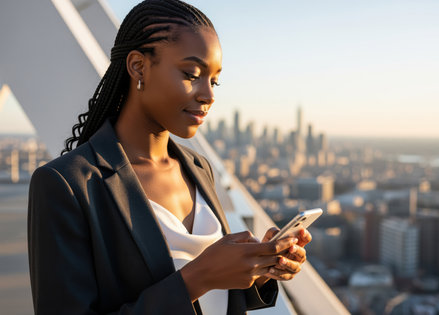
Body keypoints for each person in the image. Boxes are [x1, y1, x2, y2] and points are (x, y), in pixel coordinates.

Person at [27, 0, 311, 314]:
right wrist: (198, 277)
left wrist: (259, 270)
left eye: (214, 80)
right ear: (138, 67)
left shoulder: (197, 168)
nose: (209, 95)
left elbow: (215, 299)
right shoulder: (66, 184)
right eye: (192, 74)